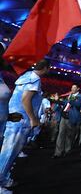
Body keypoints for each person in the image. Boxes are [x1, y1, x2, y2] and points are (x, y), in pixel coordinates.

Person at [0, 59, 49, 193]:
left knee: (9, 152)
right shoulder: (35, 79)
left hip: (15, 117)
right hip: (21, 121)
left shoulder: (25, 75)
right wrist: (33, 119)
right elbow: (25, 99)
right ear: (45, 68)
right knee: (9, 153)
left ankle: (4, 179)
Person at [53, 84, 81, 158]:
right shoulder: (70, 96)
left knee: (69, 136)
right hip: (64, 117)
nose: (72, 89)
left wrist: (70, 98)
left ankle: (67, 151)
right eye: (72, 87)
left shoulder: (80, 96)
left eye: (74, 87)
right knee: (60, 134)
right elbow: (65, 103)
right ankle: (58, 152)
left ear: (78, 89)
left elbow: (77, 104)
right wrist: (57, 100)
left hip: (71, 118)